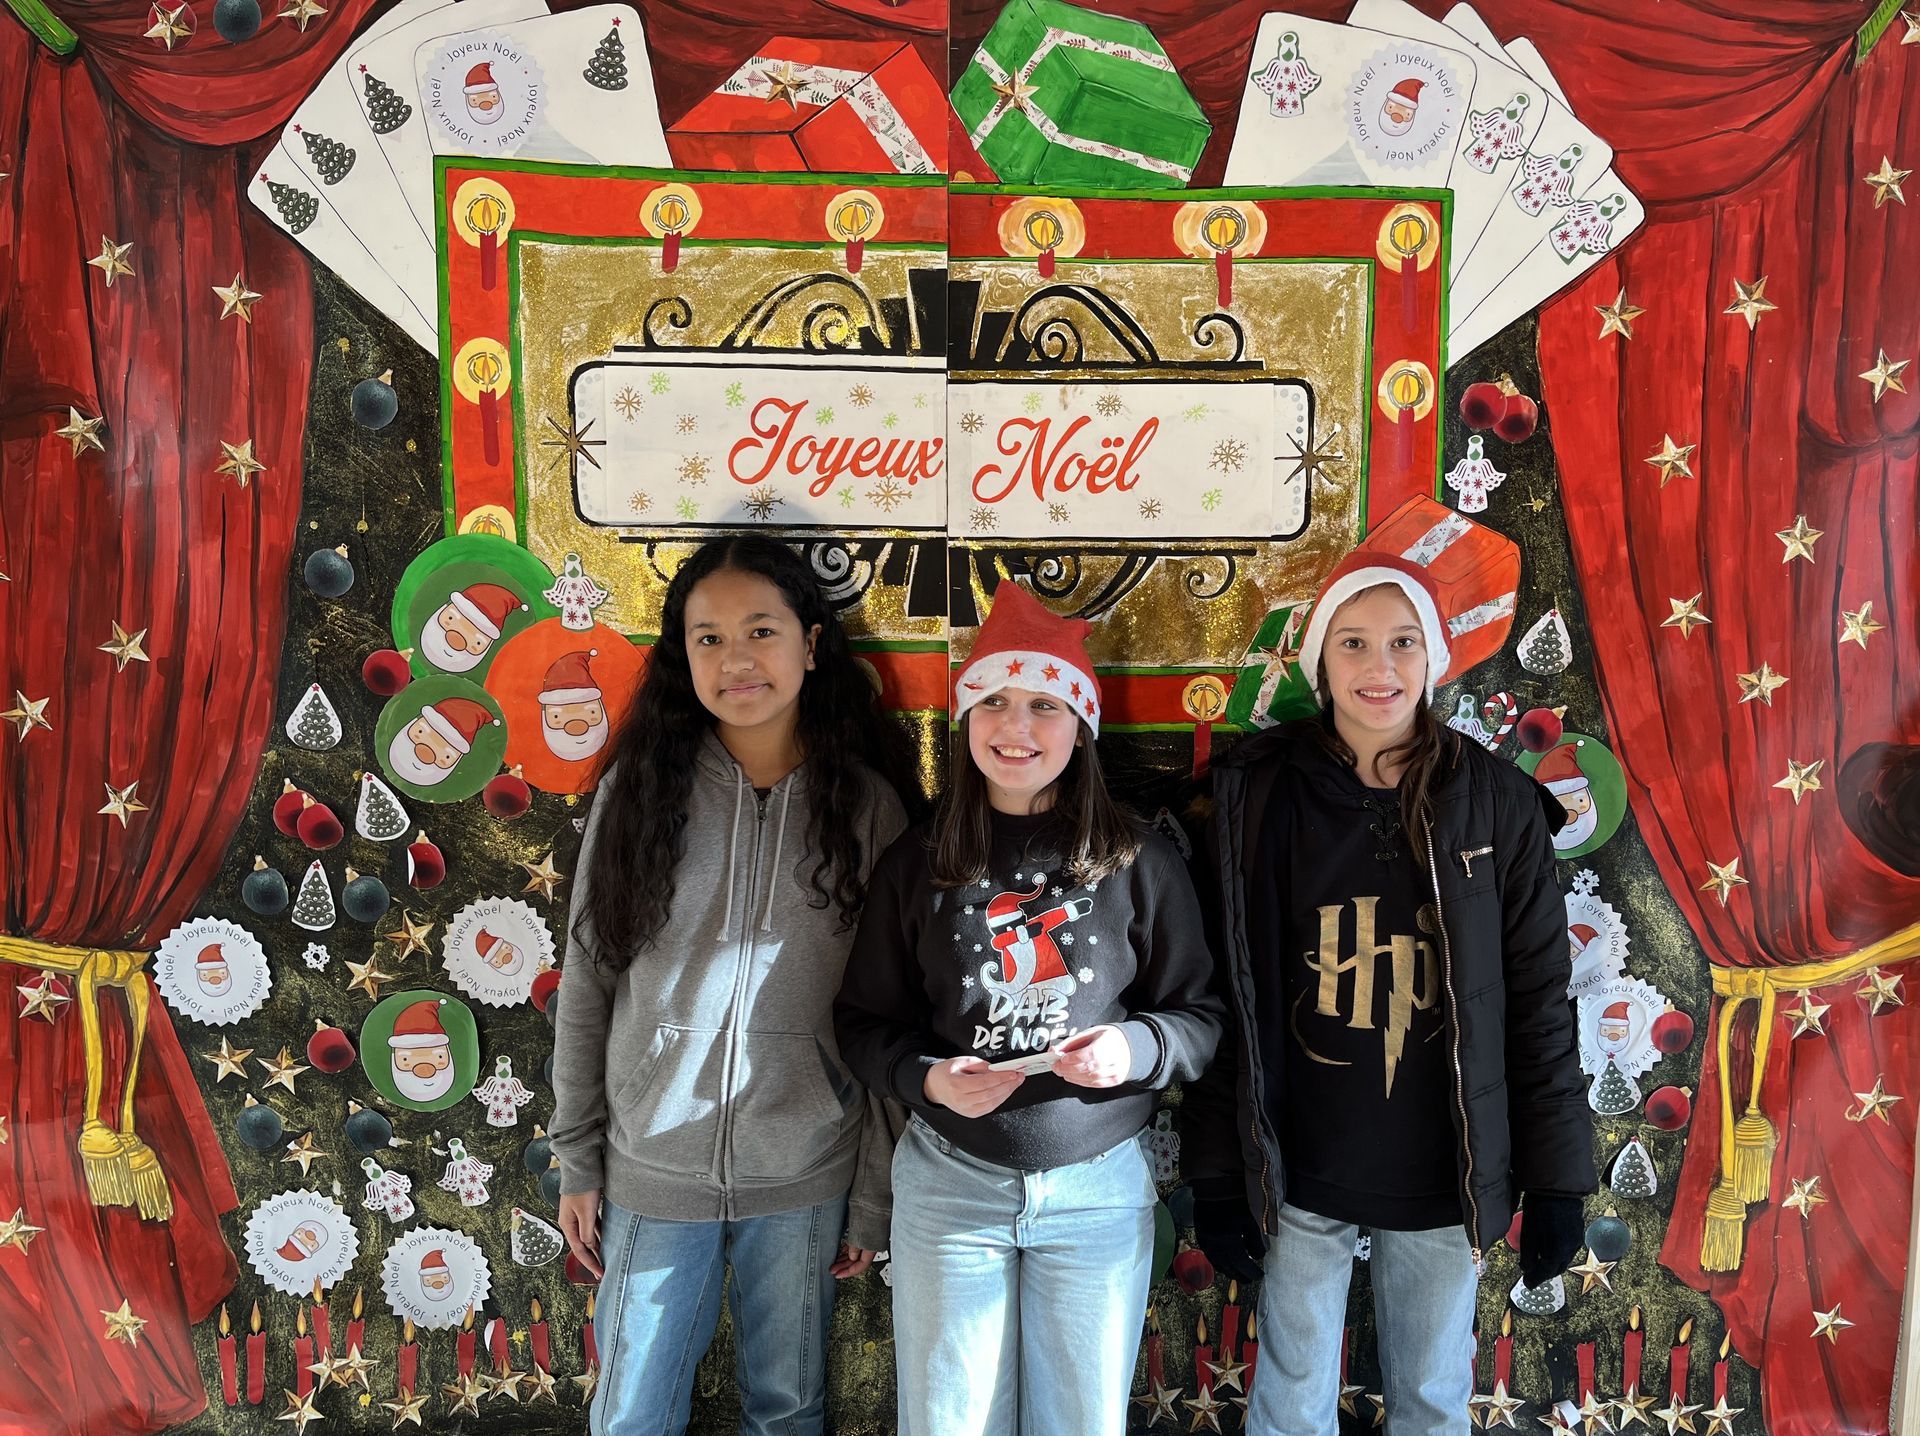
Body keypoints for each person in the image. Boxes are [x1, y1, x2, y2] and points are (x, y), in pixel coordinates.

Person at [1184, 547, 1594, 1436]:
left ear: (1434, 657)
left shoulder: (1496, 804)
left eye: (1404, 642)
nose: (1380, 668)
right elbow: (1230, 998)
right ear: (1319, 660)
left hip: (1442, 1171)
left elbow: (1537, 1001)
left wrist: (1559, 1177)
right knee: (1288, 1404)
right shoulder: (1259, 795)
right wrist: (1218, 1170)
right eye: (1355, 643)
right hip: (1297, 1165)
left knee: (1433, 1402)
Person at [549, 535, 918, 1436]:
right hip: (649, 1167)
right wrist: (579, 1156)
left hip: (806, 1170)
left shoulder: (867, 809)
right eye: (706, 638)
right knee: (631, 1409)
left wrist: (872, 1189)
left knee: (787, 1407)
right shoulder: (640, 790)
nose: (736, 658)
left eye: (761, 630)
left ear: (812, 644)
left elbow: (891, 1016)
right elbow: (589, 979)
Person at [835, 581, 1223, 1436]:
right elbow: (860, 1022)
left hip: (1097, 1191)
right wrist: (927, 1079)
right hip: (949, 1187)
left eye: (1043, 704)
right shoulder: (921, 859)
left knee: (1082, 1422)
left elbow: (1200, 1018)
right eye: (995, 703)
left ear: (1080, 723)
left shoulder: (1138, 860)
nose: (1016, 729)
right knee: (947, 1421)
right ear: (966, 719)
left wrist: (1138, 1050)